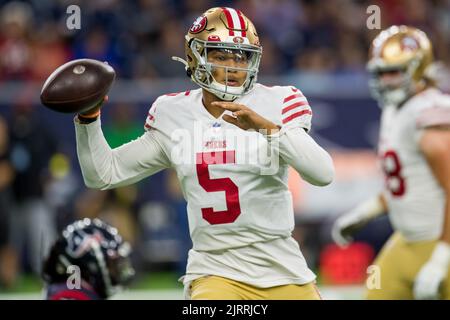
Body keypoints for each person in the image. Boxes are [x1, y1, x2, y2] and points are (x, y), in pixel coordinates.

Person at [74, 7, 334, 300]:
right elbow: (103, 174)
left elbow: (323, 173)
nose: (234, 66)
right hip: (215, 272)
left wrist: (266, 129)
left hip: (283, 269)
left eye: (242, 56)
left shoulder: (279, 101)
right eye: (221, 55)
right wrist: (88, 119)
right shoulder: (173, 113)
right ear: (196, 57)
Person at [332, 25, 450, 300]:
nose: (386, 81)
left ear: (419, 69)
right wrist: (365, 211)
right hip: (408, 242)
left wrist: (442, 257)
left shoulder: (430, 116)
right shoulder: (395, 110)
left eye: (393, 72)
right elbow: (410, 181)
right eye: (381, 73)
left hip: (441, 243)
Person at [42, 218, 135, 300]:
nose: (117, 272)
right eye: (112, 264)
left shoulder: (66, 291)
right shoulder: (71, 296)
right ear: (91, 265)